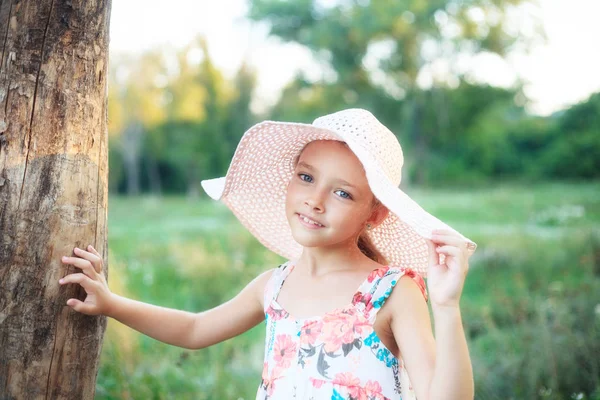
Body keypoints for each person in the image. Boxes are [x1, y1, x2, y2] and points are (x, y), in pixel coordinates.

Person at [59, 108, 477, 400]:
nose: (315, 200)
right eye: (306, 177)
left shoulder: (392, 291)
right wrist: (111, 304)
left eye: (342, 192)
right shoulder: (275, 286)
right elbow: (194, 329)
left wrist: (446, 307)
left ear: (376, 213)